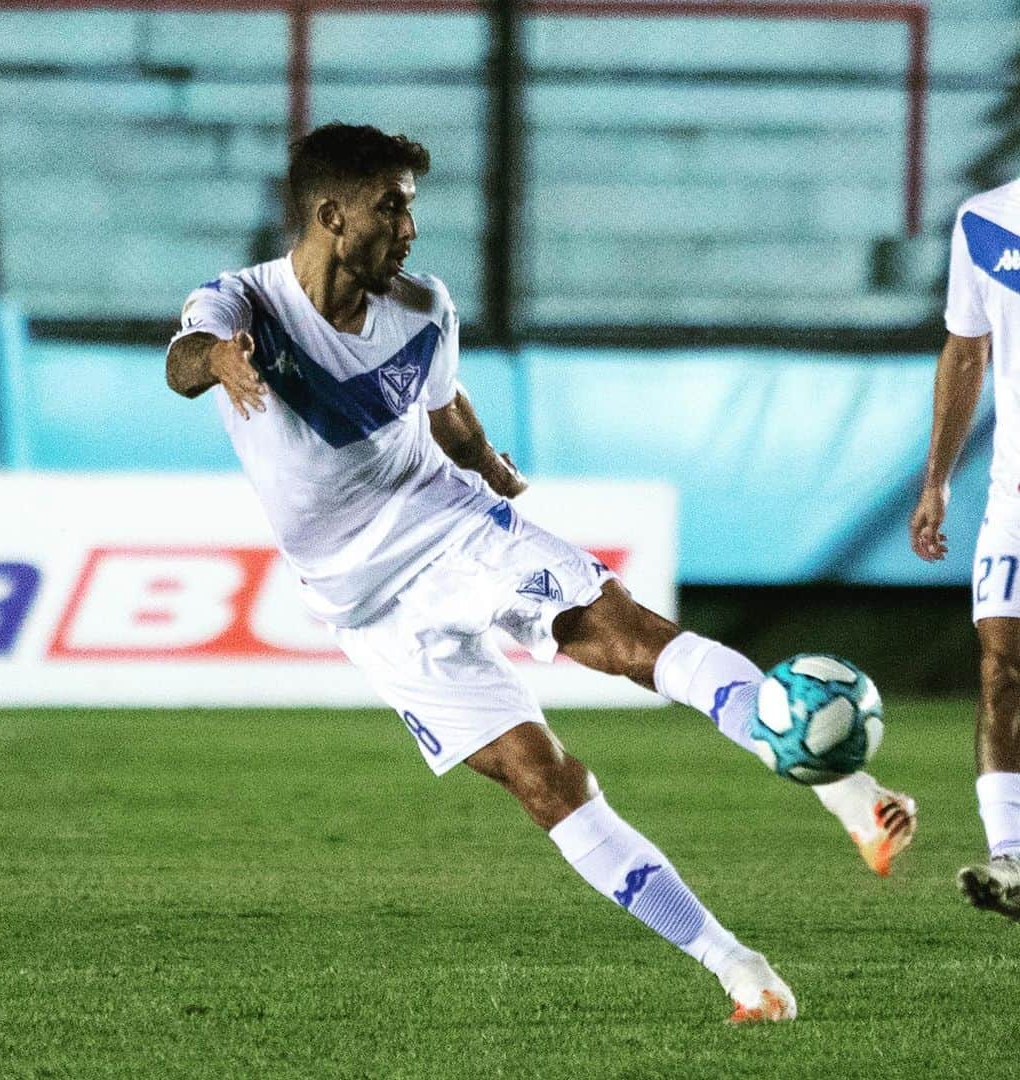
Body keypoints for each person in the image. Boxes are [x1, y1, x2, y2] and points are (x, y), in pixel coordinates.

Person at [166, 122, 916, 1021]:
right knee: (545, 780)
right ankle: (737, 966)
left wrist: (486, 465)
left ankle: (848, 791)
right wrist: (217, 362)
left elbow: (443, 407)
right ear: (332, 214)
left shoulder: (424, 304)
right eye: (392, 208)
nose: (409, 229)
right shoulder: (242, 303)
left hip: (453, 528)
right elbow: (182, 360)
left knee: (625, 636)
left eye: (411, 210)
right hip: (364, 609)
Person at [911, 180, 1020, 921]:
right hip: (1015, 497)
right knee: (1001, 667)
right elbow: (965, 350)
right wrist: (937, 480)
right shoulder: (986, 220)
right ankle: (1010, 858)